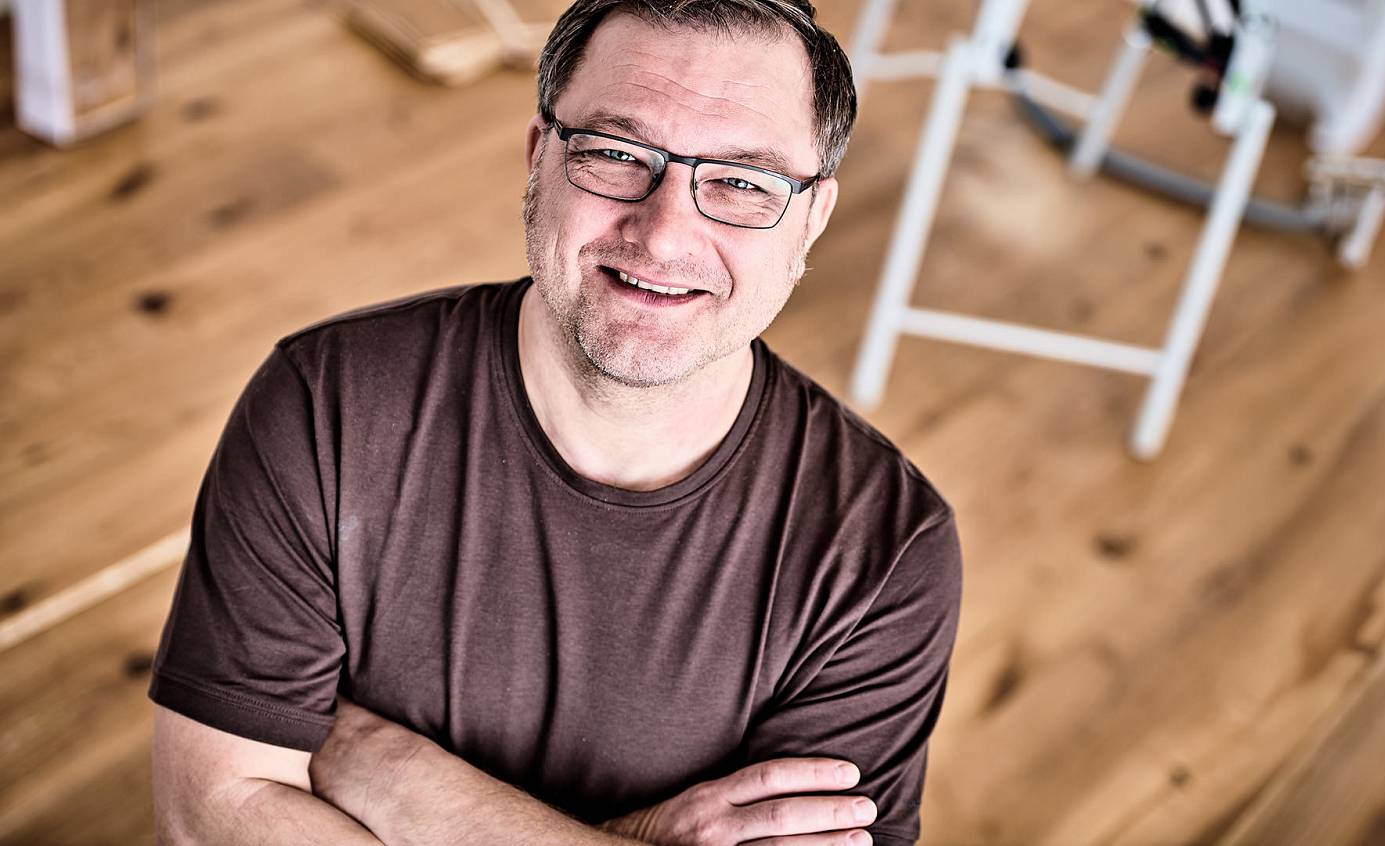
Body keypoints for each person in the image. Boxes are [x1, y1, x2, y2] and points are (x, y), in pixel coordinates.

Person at [146, 2, 963, 844]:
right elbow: (214, 818)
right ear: (539, 157)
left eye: (742, 182)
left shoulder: (886, 552)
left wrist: (379, 763)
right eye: (616, 153)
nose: (665, 234)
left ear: (813, 217)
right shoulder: (329, 401)